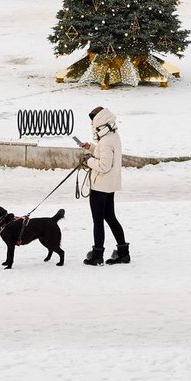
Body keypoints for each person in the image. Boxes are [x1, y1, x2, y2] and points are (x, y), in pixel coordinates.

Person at [80, 106, 128, 265]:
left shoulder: (106, 141)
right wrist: (92, 149)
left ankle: (97, 255)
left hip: (100, 187)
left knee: (98, 221)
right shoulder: (113, 136)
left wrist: (88, 160)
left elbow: (104, 166)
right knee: (111, 218)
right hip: (109, 186)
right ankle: (123, 252)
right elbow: (106, 155)